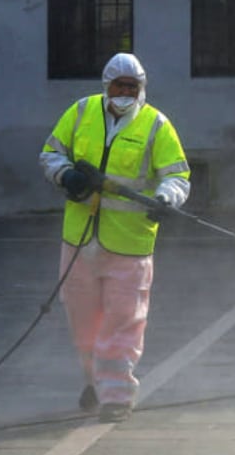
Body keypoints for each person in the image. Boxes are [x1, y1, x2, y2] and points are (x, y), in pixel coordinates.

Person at [39, 53, 191, 422]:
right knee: (83, 322)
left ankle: (117, 397)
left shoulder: (156, 125)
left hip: (129, 243)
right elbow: (50, 154)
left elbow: (177, 175)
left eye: (132, 87)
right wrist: (67, 177)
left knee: (123, 322)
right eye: (119, 86)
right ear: (106, 86)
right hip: (79, 241)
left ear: (141, 89)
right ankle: (96, 382)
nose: (125, 93)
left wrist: (166, 199)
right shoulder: (79, 113)